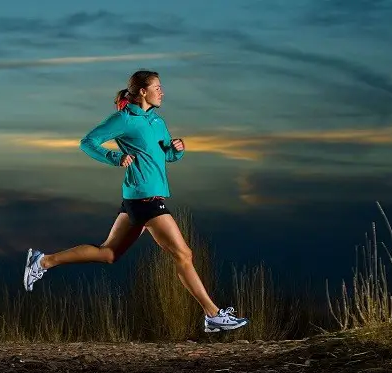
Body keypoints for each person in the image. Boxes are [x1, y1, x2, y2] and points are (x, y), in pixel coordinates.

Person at [24, 70, 248, 333]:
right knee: (183, 254)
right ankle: (212, 315)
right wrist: (114, 158)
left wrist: (177, 150)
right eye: (158, 87)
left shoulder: (158, 122)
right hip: (144, 198)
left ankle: (42, 261)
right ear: (143, 91)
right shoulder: (123, 119)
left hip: (142, 197)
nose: (162, 92)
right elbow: (88, 142)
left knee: (108, 253)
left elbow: (165, 157)